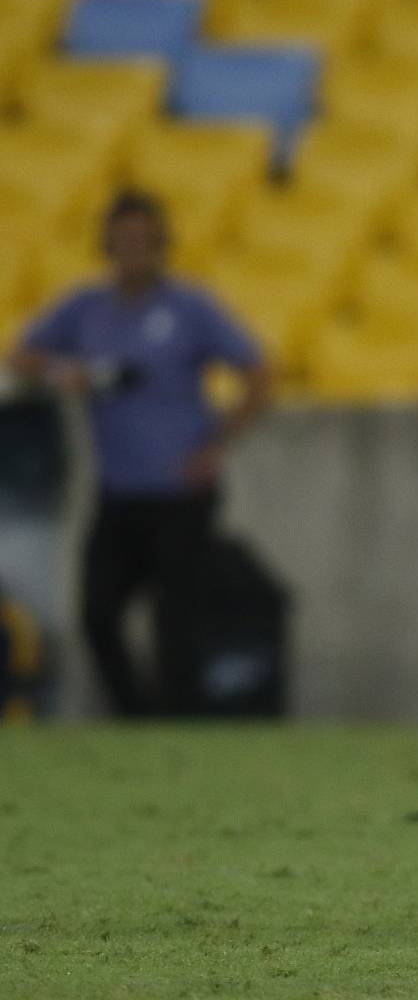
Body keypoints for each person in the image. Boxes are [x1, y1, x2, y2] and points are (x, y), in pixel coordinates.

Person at [7, 189, 270, 716]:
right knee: (97, 613)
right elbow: (21, 354)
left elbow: (258, 371)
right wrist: (68, 372)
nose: (134, 249)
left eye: (145, 239)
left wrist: (216, 445)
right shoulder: (86, 309)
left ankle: (180, 723)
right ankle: (135, 715)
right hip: (119, 493)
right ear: (107, 244)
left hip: (181, 492)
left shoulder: (189, 307)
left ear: (162, 244)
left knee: (176, 619)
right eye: (123, 238)